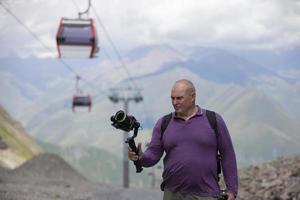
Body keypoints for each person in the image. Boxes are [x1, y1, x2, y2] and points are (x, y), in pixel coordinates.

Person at [128, 79, 238, 200]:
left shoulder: (214, 120)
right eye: (172, 98)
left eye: (179, 98)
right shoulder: (163, 123)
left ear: (193, 96)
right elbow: (153, 155)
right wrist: (141, 156)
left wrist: (231, 190)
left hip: (207, 194)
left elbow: (228, 155)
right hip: (173, 194)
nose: (175, 102)